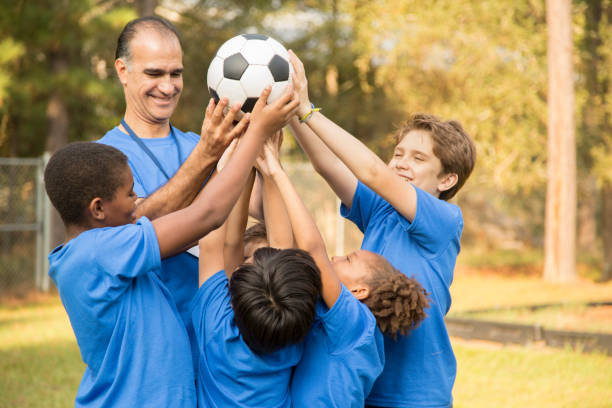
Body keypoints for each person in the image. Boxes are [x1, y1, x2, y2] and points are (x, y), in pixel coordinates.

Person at [45, 86, 296, 407]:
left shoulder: (94, 250)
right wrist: (256, 132)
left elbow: (197, 230)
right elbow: (207, 215)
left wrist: (232, 157)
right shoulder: (101, 252)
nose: (138, 201)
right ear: (98, 209)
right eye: (130, 193)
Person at [288, 50, 477, 408]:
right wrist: (292, 110)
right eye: (399, 153)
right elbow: (326, 164)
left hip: (417, 397)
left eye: (418, 159)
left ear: (447, 179)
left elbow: (372, 171)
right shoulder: (381, 211)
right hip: (366, 388)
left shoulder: (443, 221)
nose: (401, 163)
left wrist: (308, 108)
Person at [97, 16, 248, 369]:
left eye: (175, 74)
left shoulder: (200, 143)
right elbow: (136, 225)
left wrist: (257, 142)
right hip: (151, 359)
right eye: (154, 74)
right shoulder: (102, 159)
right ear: (122, 70)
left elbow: (253, 202)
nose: (168, 87)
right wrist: (209, 155)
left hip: (214, 351)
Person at [254, 135, 428, 407]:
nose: (336, 257)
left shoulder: (357, 324)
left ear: (359, 291)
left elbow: (313, 249)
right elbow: (284, 245)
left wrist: (277, 170)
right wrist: (268, 173)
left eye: (347, 259)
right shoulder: (339, 317)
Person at [191, 168, 320, 408]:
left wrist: (236, 163)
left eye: (244, 264)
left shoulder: (217, 331)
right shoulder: (291, 334)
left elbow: (221, 243)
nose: (239, 264)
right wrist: (268, 166)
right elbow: (280, 246)